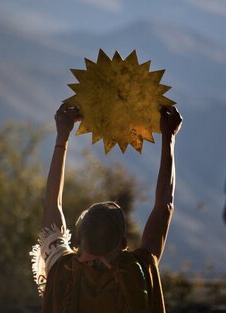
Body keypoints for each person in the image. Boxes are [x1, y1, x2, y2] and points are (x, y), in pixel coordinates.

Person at [30, 103, 183, 313]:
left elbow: (51, 205)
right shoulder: (137, 270)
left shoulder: (63, 270)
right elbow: (164, 206)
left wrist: (62, 138)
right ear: (123, 243)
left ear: (79, 242)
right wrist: (169, 138)